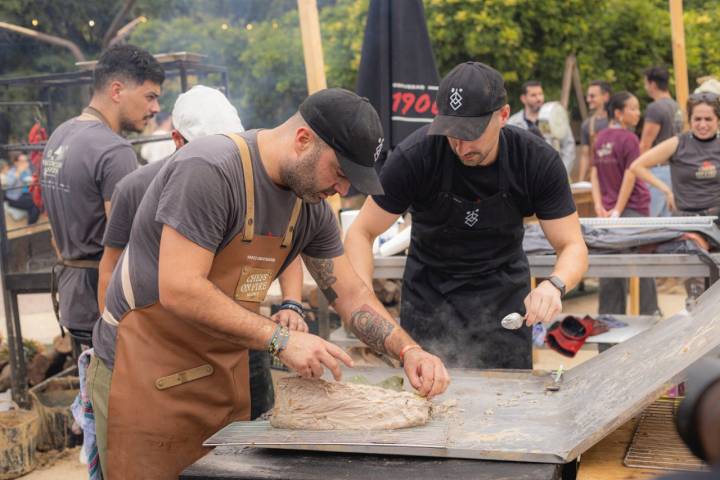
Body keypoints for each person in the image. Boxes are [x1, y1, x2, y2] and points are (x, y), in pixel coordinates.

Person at [87, 87, 450, 479]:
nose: (343, 190)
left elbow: (350, 294)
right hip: (143, 377)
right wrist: (282, 340)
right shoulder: (211, 169)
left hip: (221, 377)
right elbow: (179, 288)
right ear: (302, 140)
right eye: (341, 173)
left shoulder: (310, 206)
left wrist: (408, 350)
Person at [345, 62, 588, 369]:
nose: (460, 146)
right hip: (429, 304)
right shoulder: (415, 156)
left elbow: (573, 246)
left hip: (504, 307)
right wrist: (364, 300)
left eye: (471, 133)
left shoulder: (536, 161)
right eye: (451, 133)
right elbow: (360, 232)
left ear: (502, 116)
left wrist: (555, 284)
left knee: (507, 405)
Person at [96, 84, 300, 424]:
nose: (226, 159)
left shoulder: (252, 179)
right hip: (166, 345)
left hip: (240, 336)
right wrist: (113, 340)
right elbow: (112, 266)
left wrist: (291, 302)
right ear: (177, 140)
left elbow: (284, 245)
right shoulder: (133, 188)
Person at [40, 44, 164, 347]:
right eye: (150, 96)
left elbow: (55, 235)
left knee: (93, 389)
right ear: (117, 90)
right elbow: (132, 244)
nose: (156, 108)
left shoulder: (59, 135)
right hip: (106, 306)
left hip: (72, 299)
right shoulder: (114, 150)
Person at [629, 92, 720, 302]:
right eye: (697, 119)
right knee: (699, 287)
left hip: (717, 218)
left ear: (717, 120)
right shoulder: (678, 143)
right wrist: (666, 190)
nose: (703, 124)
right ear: (690, 119)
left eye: (708, 119)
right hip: (689, 222)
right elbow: (637, 166)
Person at [590, 91, 658, 315]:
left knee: (610, 271)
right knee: (644, 267)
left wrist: (599, 205)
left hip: (608, 214)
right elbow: (630, 175)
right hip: (632, 211)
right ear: (618, 113)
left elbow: (594, 174)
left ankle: (608, 331)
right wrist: (619, 210)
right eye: (633, 108)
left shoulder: (599, 138)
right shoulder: (630, 139)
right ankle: (650, 322)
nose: (638, 113)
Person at [641, 66, 684, 217]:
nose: (645, 87)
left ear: (652, 84)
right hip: (674, 169)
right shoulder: (677, 106)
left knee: (654, 220)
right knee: (669, 217)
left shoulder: (655, 108)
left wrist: (639, 171)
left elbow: (645, 144)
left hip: (657, 170)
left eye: (646, 83)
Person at [507, 80, 576, 174]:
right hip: (524, 177)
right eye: (533, 95)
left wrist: (561, 172)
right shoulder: (512, 122)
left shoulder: (556, 117)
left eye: (540, 94)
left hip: (552, 173)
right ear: (523, 98)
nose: (538, 98)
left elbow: (569, 146)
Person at [578, 80, 612, 181]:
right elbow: (585, 155)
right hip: (596, 177)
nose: (588, 99)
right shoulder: (587, 124)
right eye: (588, 96)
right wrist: (580, 182)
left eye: (592, 96)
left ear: (605, 96)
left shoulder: (617, 121)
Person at [4, 152, 40, 224]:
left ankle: (32, 222)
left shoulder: (27, 170)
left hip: (25, 194)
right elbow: (9, 185)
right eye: (22, 161)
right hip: (14, 198)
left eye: (26, 160)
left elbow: (29, 183)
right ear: (16, 162)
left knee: (37, 200)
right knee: (34, 205)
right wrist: (18, 172)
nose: (25, 163)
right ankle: (31, 225)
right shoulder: (11, 172)